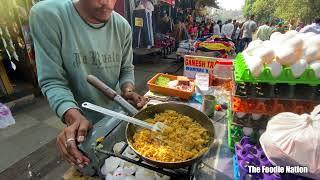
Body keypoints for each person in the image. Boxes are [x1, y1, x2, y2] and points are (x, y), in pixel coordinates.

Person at [29, 0, 147, 168]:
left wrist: (127, 89)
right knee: (89, 167)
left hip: (117, 117)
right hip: (82, 126)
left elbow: (126, 68)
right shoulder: (49, 15)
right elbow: (52, 80)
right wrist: (73, 116)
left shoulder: (122, 26)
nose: (106, 3)